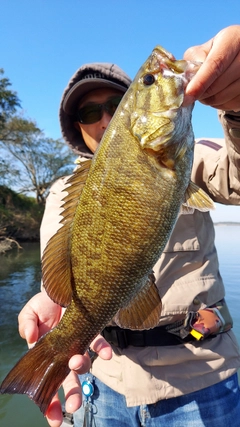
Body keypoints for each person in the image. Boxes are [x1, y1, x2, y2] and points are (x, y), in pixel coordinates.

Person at [18, 25, 240, 427]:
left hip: (201, 379)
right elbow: (60, 275)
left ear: (126, 112)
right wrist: (53, 306)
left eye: (115, 105)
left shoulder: (188, 154)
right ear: (77, 126)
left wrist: (238, 109)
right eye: (88, 112)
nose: (103, 119)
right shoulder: (61, 195)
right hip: (106, 385)